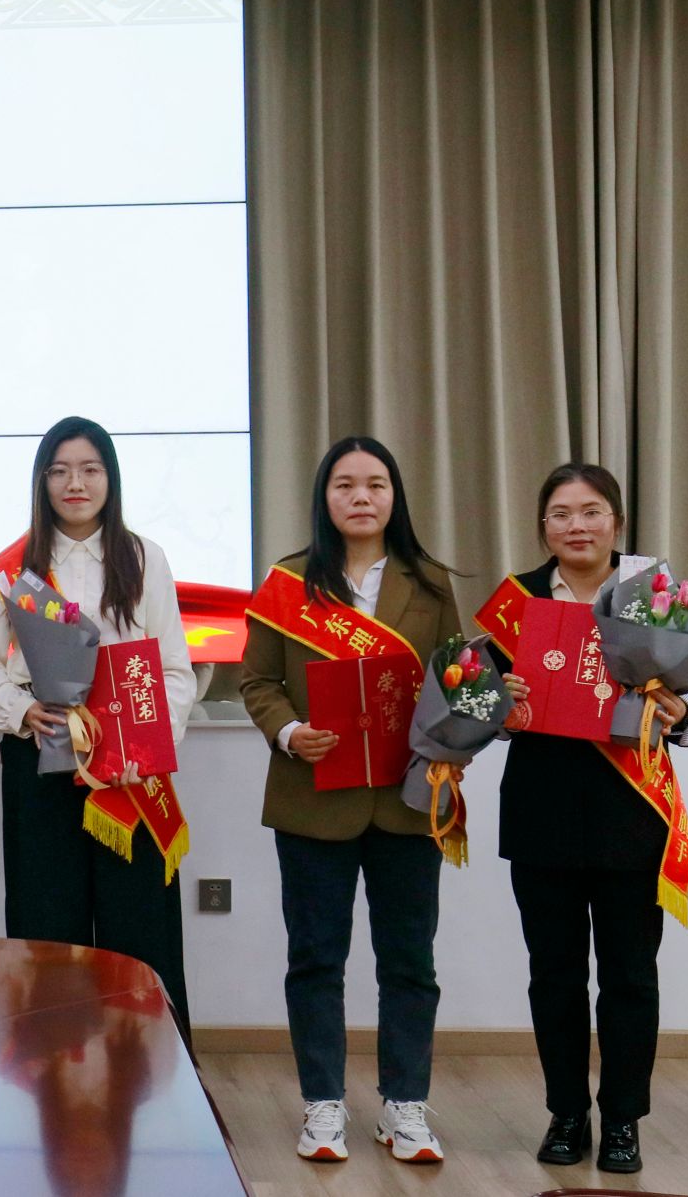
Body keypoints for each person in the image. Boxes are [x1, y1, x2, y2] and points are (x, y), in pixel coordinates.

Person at [240, 436, 469, 1166]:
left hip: (408, 799)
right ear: (325, 497)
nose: (361, 496)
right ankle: (323, 1104)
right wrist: (290, 732)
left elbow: (458, 682)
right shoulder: (288, 581)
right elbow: (257, 682)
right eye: (345, 484)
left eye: (375, 483)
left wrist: (470, 725)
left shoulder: (430, 583)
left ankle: (405, 1105)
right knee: (315, 959)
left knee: (409, 962)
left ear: (394, 496)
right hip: (312, 799)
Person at [483, 463, 688, 1175]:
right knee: (553, 974)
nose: (576, 525)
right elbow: (476, 703)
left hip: (629, 813)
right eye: (560, 513)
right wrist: (500, 700)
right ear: (542, 526)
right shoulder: (516, 601)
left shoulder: (652, 593)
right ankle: (565, 1111)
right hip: (541, 811)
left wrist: (680, 712)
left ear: (616, 521)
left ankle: (622, 1120)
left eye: (590, 511)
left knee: (630, 976)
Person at [0, 417, 198, 1034]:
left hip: (130, 773)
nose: (76, 483)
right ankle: (52, 1075)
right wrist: (22, 711)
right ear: (42, 482)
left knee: (139, 929)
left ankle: (149, 1073)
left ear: (110, 479)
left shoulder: (144, 558)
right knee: (48, 927)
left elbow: (175, 670)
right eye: (61, 471)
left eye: (90, 469)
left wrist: (150, 746)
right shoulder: (15, 569)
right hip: (40, 763)